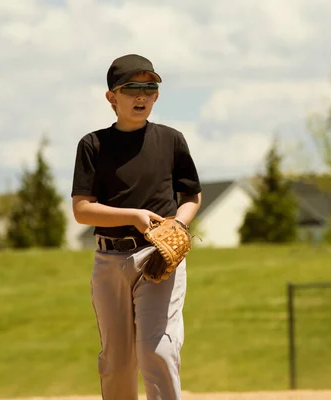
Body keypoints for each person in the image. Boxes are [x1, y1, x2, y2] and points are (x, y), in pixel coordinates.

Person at [70, 54, 203, 400]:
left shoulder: (171, 140)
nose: (142, 95)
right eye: (132, 88)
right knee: (116, 361)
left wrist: (178, 226)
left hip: (157, 256)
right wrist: (133, 215)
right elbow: (83, 210)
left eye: (150, 87)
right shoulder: (93, 145)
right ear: (112, 97)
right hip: (109, 260)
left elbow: (192, 197)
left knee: (157, 351)